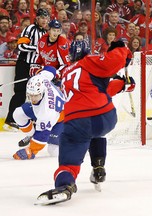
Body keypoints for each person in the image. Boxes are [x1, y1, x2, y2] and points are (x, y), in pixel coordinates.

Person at [35, 40, 134, 205]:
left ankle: (65, 185)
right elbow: (108, 79)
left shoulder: (65, 72)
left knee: (68, 162)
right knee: (96, 132)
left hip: (77, 122)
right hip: (105, 116)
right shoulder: (90, 61)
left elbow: (86, 89)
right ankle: (98, 168)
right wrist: (122, 50)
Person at [3, 8, 49, 132]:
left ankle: (35, 119)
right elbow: (21, 45)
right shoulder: (30, 29)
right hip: (24, 64)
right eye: (42, 18)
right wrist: (37, 48)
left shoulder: (45, 32)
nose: (44, 20)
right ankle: (9, 120)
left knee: (37, 93)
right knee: (20, 92)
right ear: (37, 18)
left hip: (35, 67)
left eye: (46, 18)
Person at [12, 66, 65, 160]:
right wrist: (40, 72)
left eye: (35, 96)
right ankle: (31, 134)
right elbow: (50, 70)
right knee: (18, 114)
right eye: (30, 96)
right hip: (43, 110)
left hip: (60, 119)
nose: (33, 99)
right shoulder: (41, 78)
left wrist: (30, 151)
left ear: (42, 92)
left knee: (54, 151)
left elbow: (42, 137)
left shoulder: (47, 112)